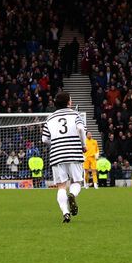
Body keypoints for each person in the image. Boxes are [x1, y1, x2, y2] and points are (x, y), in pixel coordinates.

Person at [42, 91, 86, 223]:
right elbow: (81, 129)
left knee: (61, 186)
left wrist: (55, 143)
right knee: (76, 182)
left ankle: (66, 213)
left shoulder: (49, 118)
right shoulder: (75, 115)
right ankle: (72, 195)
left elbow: (44, 139)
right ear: (68, 102)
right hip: (74, 152)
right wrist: (83, 145)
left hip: (57, 154)